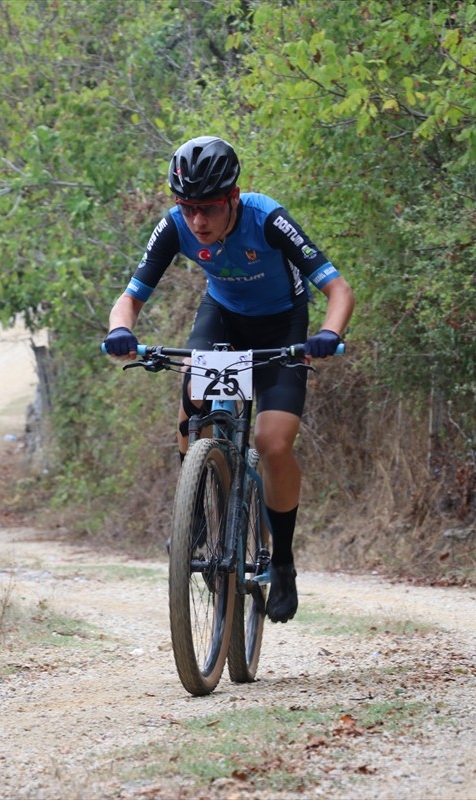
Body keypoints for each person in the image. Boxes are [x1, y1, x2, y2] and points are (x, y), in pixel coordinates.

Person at [103, 135, 355, 624]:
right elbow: (130, 296)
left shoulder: (269, 219)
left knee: (272, 442)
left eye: (210, 209)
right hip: (223, 317)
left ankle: (281, 561)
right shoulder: (175, 226)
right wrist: (120, 329)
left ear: (233, 199)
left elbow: (337, 288)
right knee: (193, 406)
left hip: (283, 325)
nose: (198, 221)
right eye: (188, 207)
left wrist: (328, 333)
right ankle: (194, 512)